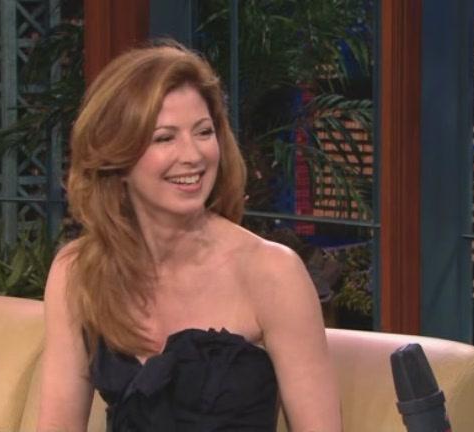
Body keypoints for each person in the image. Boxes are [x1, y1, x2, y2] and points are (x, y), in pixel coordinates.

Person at [37, 41, 341, 432]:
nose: (193, 156)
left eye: (203, 132)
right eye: (165, 138)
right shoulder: (78, 272)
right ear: (117, 157)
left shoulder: (272, 272)